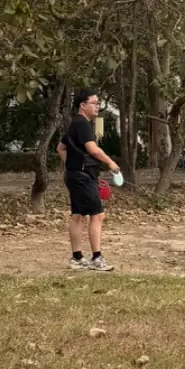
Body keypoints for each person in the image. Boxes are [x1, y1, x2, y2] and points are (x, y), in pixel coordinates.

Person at [58, 90, 121, 271]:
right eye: (94, 103)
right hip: (83, 178)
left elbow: (60, 148)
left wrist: (72, 165)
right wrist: (111, 163)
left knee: (78, 215)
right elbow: (93, 149)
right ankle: (97, 258)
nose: (98, 106)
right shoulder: (83, 124)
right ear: (83, 105)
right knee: (98, 215)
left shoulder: (74, 124)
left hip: (76, 175)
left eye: (98, 103)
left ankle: (77, 258)